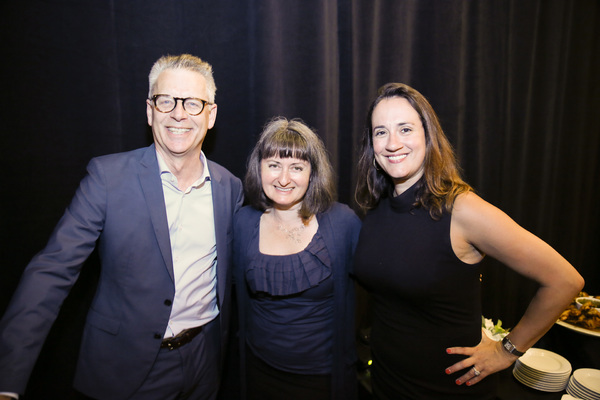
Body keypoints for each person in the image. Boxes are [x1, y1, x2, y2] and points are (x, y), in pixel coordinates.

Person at [0, 54, 243, 400]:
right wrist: (6, 379)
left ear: (211, 114)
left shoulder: (229, 187)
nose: (179, 113)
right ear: (150, 110)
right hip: (127, 369)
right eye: (166, 101)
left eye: (193, 102)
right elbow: (51, 271)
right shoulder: (107, 178)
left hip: (205, 363)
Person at [353, 82, 584, 399]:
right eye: (380, 132)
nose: (392, 143)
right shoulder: (378, 206)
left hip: (446, 388)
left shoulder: (462, 209)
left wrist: (506, 351)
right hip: (386, 380)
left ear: (428, 135)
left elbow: (564, 280)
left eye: (405, 129)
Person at [233, 118, 361, 400]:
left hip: (323, 380)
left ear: (313, 173)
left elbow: (385, 293)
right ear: (260, 168)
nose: (283, 178)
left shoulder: (343, 224)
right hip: (258, 374)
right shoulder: (242, 223)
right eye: (274, 165)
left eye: (297, 167)